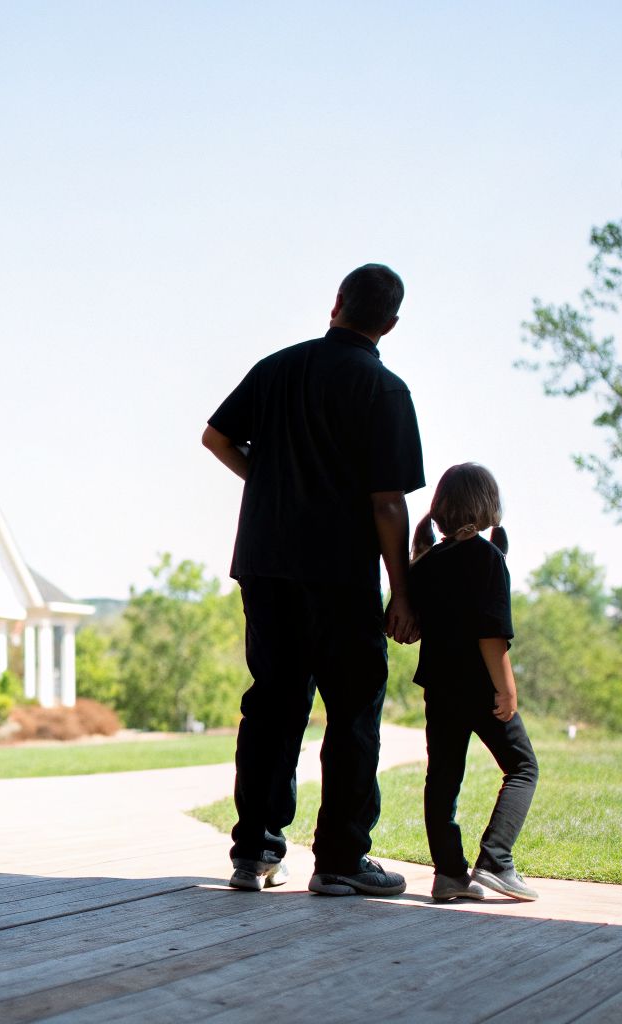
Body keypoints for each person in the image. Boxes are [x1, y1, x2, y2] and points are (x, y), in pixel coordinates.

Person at [202, 263, 424, 896]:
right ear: (391, 323)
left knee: (272, 704)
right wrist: (402, 592)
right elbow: (388, 503)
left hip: (265, 565)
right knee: (353, 711)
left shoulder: (277, 368)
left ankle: (254, 853)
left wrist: (269, 483)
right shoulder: (383, 390)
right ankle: (340, 861)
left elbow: (216, 437)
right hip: (337, 573)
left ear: (336, 304)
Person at [407, 463, 539, 901]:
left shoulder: (428, 563)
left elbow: (413, 626)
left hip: (440, 688)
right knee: (522, 768)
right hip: (480, 687)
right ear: (488, 507)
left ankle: (448, 874)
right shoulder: (487, 558)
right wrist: (506, 688)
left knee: (442, 778)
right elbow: (491, 633)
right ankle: (496, 860)